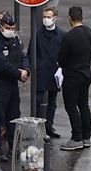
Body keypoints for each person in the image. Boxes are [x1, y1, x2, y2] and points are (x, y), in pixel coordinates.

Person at [0, 11, 30, 162]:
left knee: (13, 115)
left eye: (12, 28)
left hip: (12, 84)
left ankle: (13, 145)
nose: (11, 30)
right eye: (8, 27)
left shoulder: (15, 39)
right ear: (1, 26)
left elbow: (22, 56)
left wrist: (26, 71)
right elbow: (1, 65)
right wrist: (19, 73)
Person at [58, 6, 91, 152]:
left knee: (71, 106)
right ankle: (86, 137)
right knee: (83, 105)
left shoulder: (69, 37)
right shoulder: (89, 33)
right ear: (82, 18)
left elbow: (61, 60)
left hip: (72, 76)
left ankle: (76, 137)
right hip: (86, 73)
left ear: (69, 19)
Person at [28, 6, 65, 141]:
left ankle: (49, 126)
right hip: (41, 72)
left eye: (48, 17)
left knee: (52, 102)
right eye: (44, 17)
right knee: (37, 100)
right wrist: (34, 68)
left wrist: (61, 68)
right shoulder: (37, 33)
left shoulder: (61, 35)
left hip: (55, 73)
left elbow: (64, 54)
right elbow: (31, 53)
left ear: (55, 18)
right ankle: (37, 128)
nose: (46, 19)